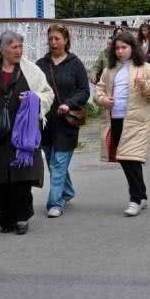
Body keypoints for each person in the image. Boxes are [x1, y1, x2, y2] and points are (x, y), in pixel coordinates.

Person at [0, 31, 54, 234]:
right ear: (2, 49)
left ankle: (22, 217)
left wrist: (33, 98)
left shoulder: (31, 70)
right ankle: (5, 218)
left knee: (22, 177)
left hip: (23, 132)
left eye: (20, 47)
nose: (19, 51)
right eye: (14, 47)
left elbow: (47, 94)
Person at [95, 32, 150, 217]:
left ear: (133, 48)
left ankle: (135, 199)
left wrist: (145, 85)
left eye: (124, 47)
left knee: (130, 158)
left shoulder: (147, 69)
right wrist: (103, 100)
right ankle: (142, 194)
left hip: (137, 121)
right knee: (124, 158)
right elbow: (99, 91)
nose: (120, 51)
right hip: (115, 119)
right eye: (117, 48)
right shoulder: (110, 70)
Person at [36, 25, 90, 218]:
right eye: (51, 39)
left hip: (66, 122)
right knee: (52, 162)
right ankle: (67, 192)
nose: (53, 42)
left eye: (57, 38)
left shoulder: (75, 64)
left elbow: (85, 91)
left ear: (66, 40)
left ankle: (55, 202)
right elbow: (34, 86)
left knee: (59, 163)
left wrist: (69, 104)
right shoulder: (41, 64)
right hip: (46, 122)